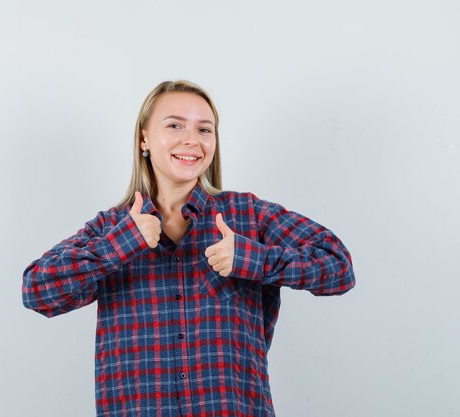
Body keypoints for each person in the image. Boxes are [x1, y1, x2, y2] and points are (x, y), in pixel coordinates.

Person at [22, 80, 355, 417]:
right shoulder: (111, 229)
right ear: (144, 139)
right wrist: (122, 244)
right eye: (175, 125)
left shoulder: (248, 215)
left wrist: (253, 259)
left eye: (204, 129)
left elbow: (338, 266)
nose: (192, 140)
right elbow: (36, 291)